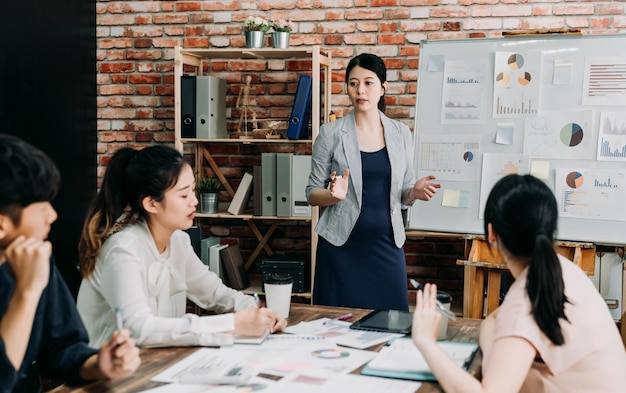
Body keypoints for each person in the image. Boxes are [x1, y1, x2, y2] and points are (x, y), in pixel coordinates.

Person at [412, 174, 626, 393]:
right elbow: (493, 321)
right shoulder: (560, 269)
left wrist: (425, 341)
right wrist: (495, 350)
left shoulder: (527, 297)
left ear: (492, 233)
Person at [76, 144, 286, 348]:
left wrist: (257, 312)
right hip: (110, 374)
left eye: (193, 191)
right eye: (184, 194)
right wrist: (232, 324)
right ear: (151, 203)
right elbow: (139, 329)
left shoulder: (178, 241)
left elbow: (214, 293)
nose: (194, 201)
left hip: (158, 364)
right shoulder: (123, 250)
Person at [0, 134, 140, 393]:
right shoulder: (31, 269)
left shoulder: (36, 256)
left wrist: (98, 363)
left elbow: (63, 349)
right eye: (41, 207)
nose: (52, 216)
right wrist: (27, 292)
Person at [306, 53, 441, 311]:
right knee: (334, 330)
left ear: (383, 88)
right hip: (340, 247)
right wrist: (333, 195)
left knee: (392, 326)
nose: (360, 90)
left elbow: (403, 192)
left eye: (368, 83)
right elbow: (312, 192)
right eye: (353, 83)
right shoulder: (331, 133)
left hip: (386, 245)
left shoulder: (400, 133)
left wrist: (415, 192)